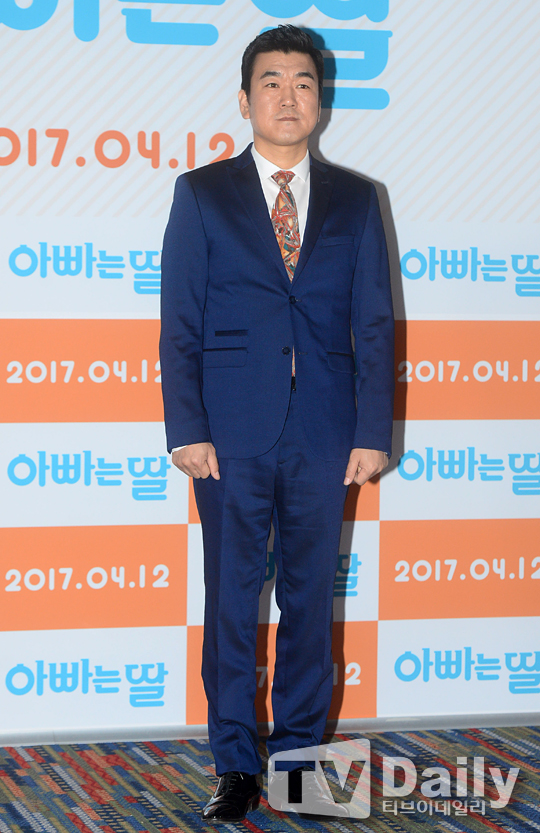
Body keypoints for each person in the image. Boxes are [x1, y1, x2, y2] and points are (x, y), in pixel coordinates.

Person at [159, 24, 394, 823]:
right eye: (272, 82)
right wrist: (186, 427)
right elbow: (180, 321)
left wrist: (371, 430)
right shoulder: (202, 192)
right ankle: (235, 763)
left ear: (320, 100)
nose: (288, 96)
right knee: (231, 601)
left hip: (325, 432)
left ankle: (300, 764)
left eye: (302, 83)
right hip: (228, 434)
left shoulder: (358, 198)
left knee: (308, 601)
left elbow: (373, 323)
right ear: (244, 98)